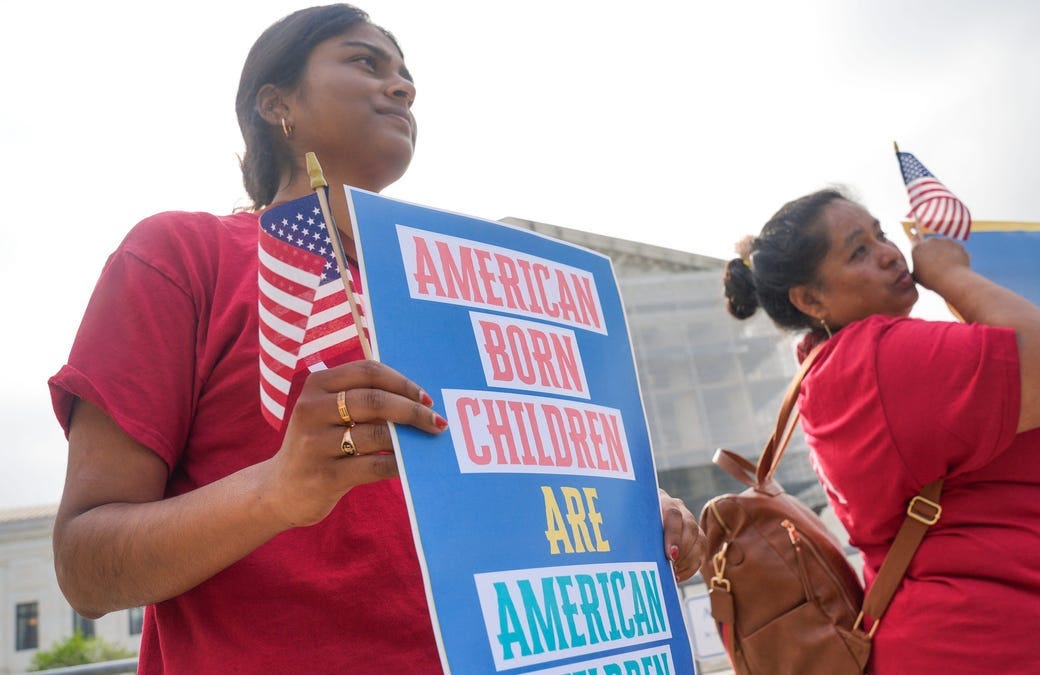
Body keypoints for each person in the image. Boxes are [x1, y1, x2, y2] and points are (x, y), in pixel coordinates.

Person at [48, 5, 702, 672]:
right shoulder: (180, 255)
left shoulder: (458, 288)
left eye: (407, 76)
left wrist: (630, 514)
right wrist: (276, 491)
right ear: (278, 104)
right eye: (367, 62)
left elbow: (520, 494)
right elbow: (84, 566)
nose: (403, 88)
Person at [722, 188, 1040, 673]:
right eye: (859, 251)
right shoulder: (876, 360)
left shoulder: (849, 369)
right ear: (810, 298)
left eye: (879, 234)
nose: (888, 253)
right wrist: (950, 274)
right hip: (1010, 647)